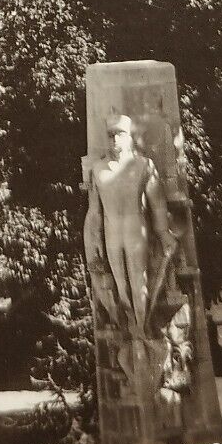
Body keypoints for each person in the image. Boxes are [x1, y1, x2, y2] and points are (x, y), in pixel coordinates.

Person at [84, 114, 172, 335]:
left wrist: (163, 234)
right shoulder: (98, 169)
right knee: (120, 285)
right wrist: (92, 240)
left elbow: (157, 205)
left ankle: (142, 327)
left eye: (119, 134)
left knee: (137, 281)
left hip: (135, 232)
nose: (114, 140)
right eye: (110, 135)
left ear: (129, 136)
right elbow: (94, 212)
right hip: (112, 235)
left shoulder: (143, 165)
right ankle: (130, 324)